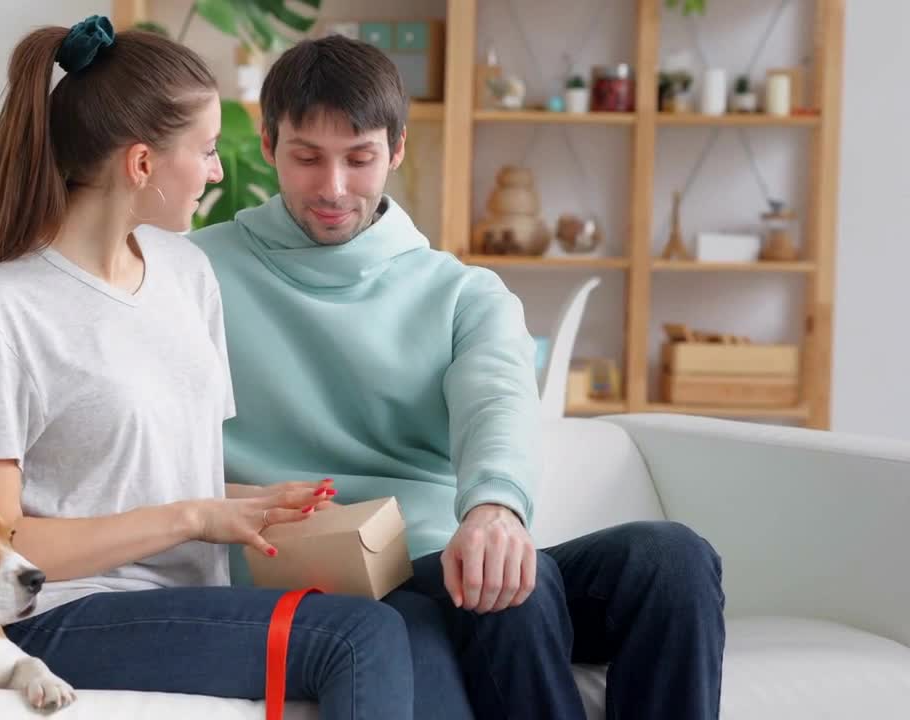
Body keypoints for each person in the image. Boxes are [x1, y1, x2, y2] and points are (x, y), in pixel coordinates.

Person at [190, 34, 727, 720]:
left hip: (439, 558)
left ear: (398, 150)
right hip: (310, 581)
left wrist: (494, 509)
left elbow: (496, 397)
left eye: (359, 159)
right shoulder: (195, 273)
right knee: (507, 592)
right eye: (306, 158)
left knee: (672, 560)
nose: (332, 188)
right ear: (268, 145)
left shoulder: (461, 291)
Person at [0, 17, 413, 718]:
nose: (218, 170)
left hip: (189, 603)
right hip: (55, 615)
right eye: (207, 150)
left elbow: (168, 477)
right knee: (359, 641)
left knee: (409, 629)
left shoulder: (186, 272)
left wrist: (259, 506)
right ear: (143, 164)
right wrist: (192, 517)